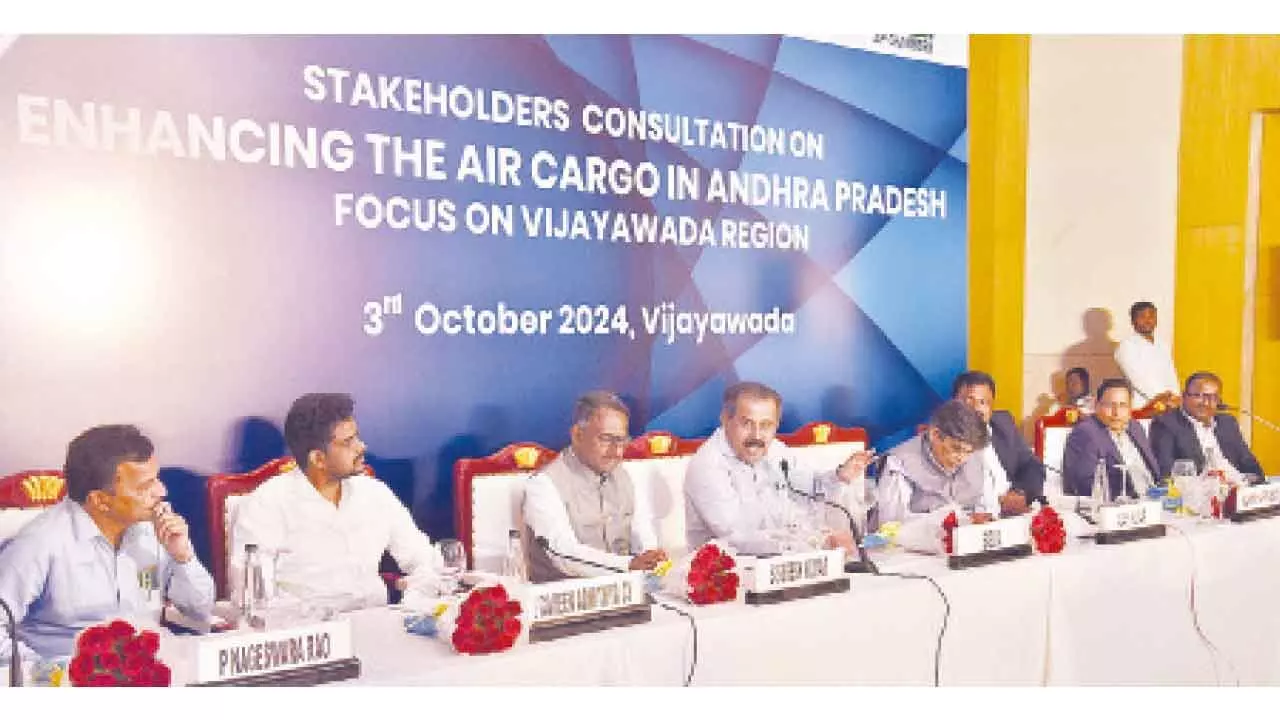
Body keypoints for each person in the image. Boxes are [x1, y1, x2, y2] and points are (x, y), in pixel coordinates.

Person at [0, 425, 215, 662]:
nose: (161, 491)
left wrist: (182, 558)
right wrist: (50, 676)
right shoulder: (39, 544)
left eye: (157, 479)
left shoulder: (158, 528)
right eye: (145, 487)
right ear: (100, 500)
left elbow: (201, 611)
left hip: (154, 670)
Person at [231, 393, 443, 610]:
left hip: (378, 622)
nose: (362, 447)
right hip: (307, 633)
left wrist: (414, 599)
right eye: (348, 442)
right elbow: (252, 598)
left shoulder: (375, 493)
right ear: (318, 459)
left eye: (357, 437)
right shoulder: (268, 504)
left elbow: (426, 561)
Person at [684, 381, 874, 556]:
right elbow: (736, 537)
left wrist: (840, 476)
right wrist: (814, 541)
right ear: (726, 419)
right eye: (747, 423)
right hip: (725, 574)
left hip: (781, 563)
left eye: (766, 425)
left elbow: (810, 488)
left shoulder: (775, 450)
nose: (756, 435)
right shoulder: (708, 465)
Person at [523, 391, 669, 582]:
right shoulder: (544, 484)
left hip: (625, 591)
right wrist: (627, 565)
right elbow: (562, 553)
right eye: (607, 439)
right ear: (577, 435)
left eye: (621, 440)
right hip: (564, 598)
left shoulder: (627, 477)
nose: (616, 451)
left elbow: (644, 534)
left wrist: (651, 558)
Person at [874, 400, 993, 529]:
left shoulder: (977, 457)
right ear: (935, 435)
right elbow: (891, 523)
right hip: (912, 546)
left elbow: (987, 509)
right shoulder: (899, 462)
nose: (962, 458)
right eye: (956, 448)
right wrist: (956, 520)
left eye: (968, 452)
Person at [952, 371, 1046, 512]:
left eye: (983, 402)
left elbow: (1031, 465)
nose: (977, 409)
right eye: (969, 402)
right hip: (973, 519)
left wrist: (1021, 492)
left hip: (1014, 513)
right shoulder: (945, 438)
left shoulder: (1003, 424)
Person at [1149, 372, 1265, 482]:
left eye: (1212, 397)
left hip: (1237, 488)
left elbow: (1249, 463)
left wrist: (1253, 480)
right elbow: (1166, 473)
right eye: (1198, 396)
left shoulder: (1227, 422)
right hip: (1198, 494)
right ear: (1184, 397)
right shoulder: (1165, 424)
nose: (1205, 403)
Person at [1061, 379, 1160, 498]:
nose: (1116, 413)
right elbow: (1086, 486)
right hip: (1119, 506)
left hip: (1155, 498)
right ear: (1096, 405)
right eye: (1109, 405)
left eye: (1123, 405)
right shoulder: (1084, 433)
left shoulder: (1135, 427)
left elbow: (1151, 470)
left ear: (1130, 408)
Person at [1114, 301, 1180, 408]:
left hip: (1170, 405)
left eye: (1151, 316)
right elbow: (1137, 379)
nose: (1148, 320)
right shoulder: (1126, 346)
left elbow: (1171, 374)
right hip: (1144, 405)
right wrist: (1161, 398)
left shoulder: (1162, 345)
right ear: (1133, 321)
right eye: (1142, 317)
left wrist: (1176, 396)